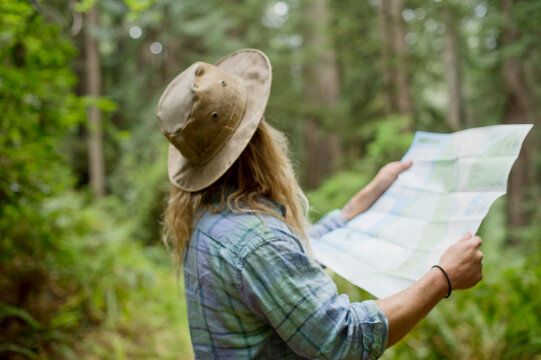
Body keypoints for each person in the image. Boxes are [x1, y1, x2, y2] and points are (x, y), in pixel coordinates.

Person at [157, 49, 483, 359]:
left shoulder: (212, 217)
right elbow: (343, 338)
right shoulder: (257, 239)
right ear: (257, 140)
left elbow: (294, 252)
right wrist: (443, 278)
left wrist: (365, 197)